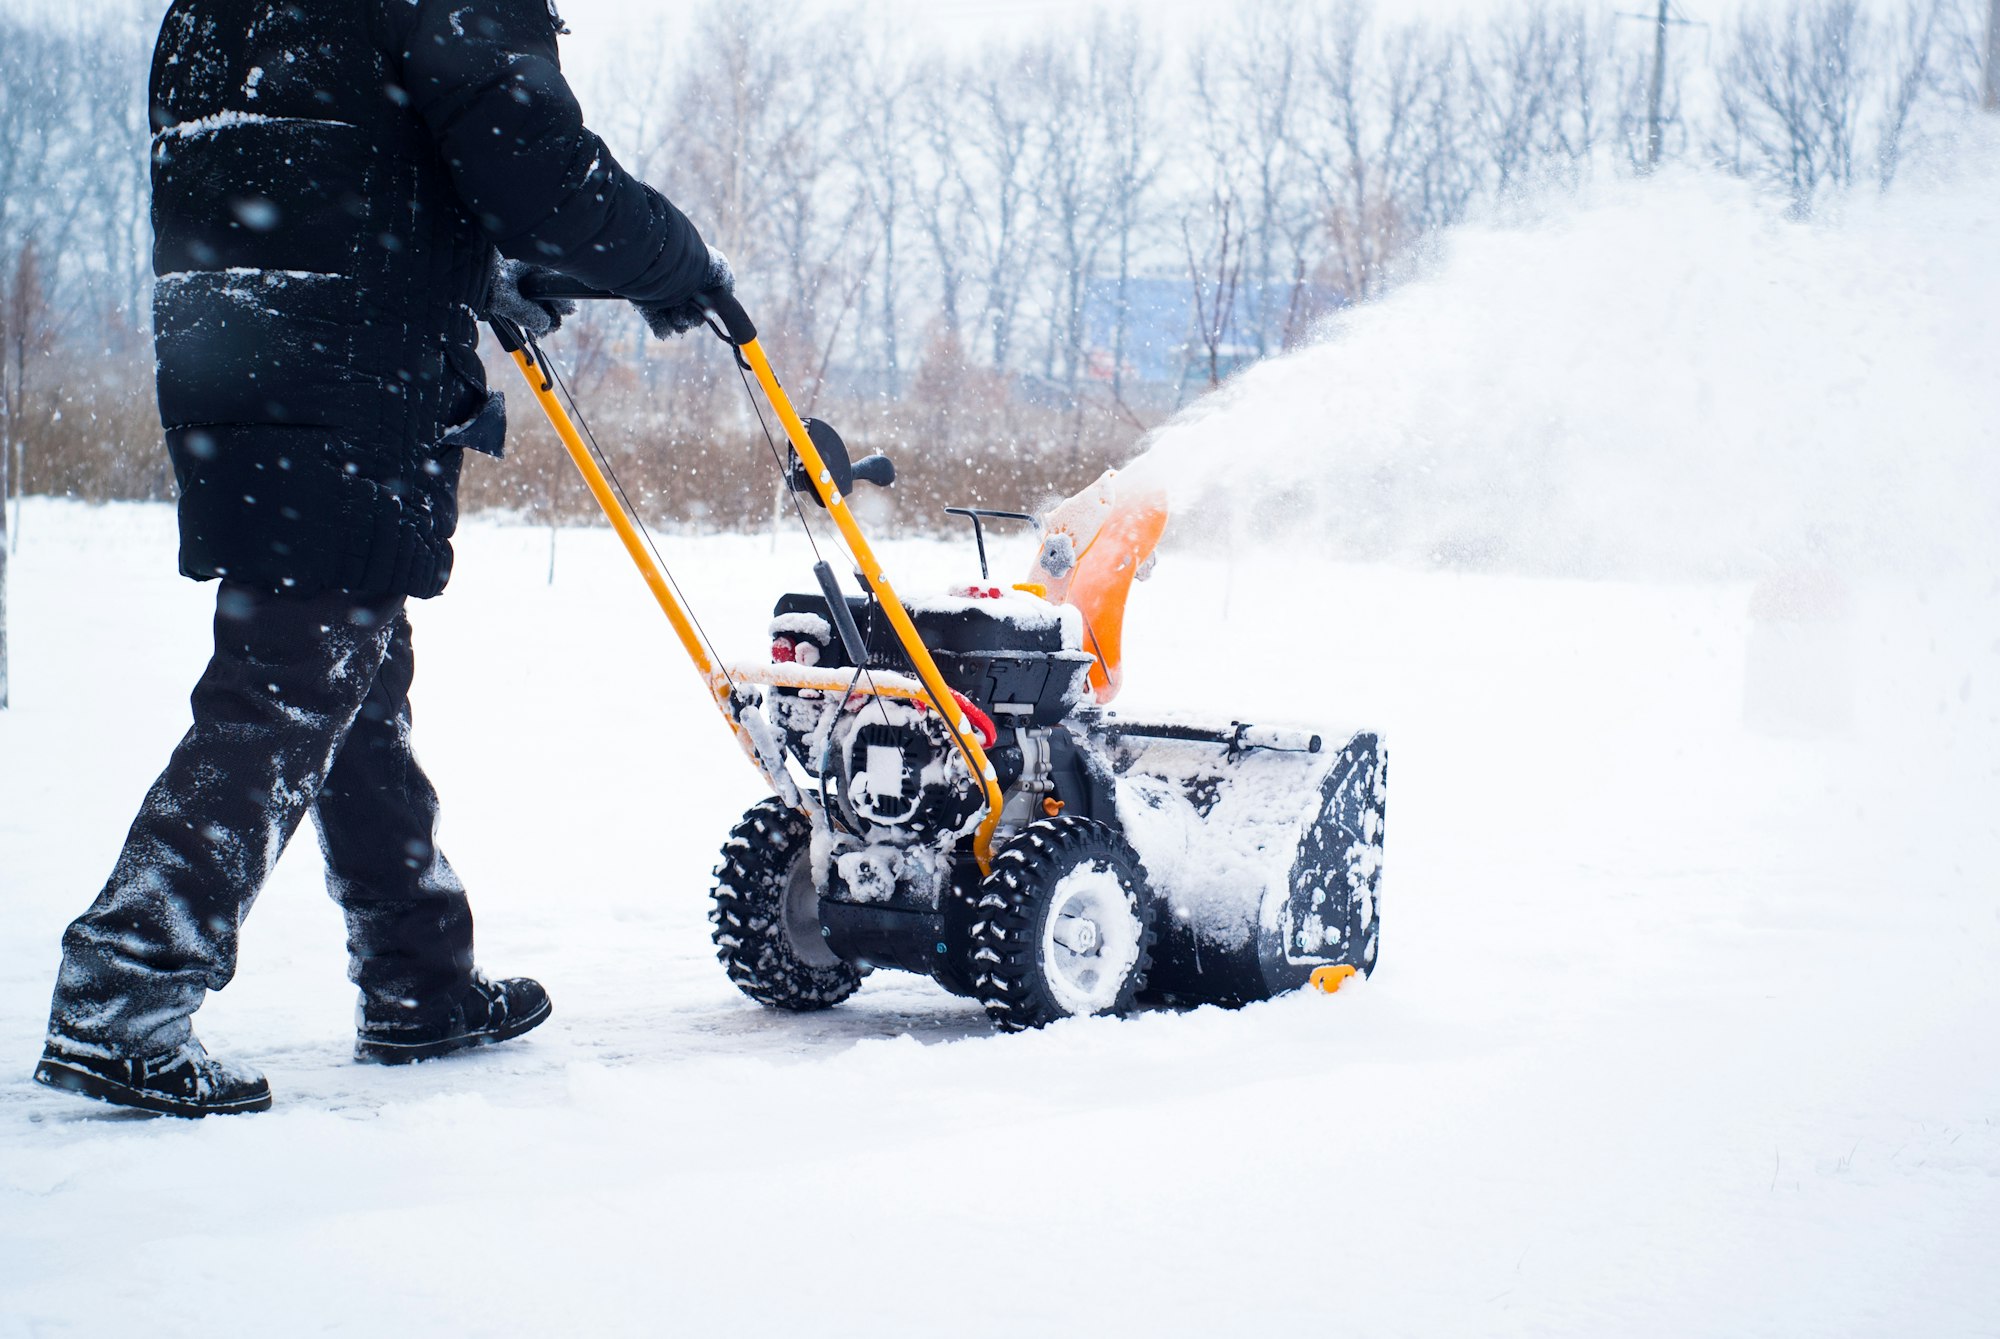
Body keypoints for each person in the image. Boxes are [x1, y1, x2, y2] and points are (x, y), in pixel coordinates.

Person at [32, 0, 729, 1117]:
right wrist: (673, 261)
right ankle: (128, 979)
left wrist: (468, 269)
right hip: (346, 365)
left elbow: (303, 161)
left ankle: (418, 976)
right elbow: (541, 178)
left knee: (351, 665)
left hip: (233, 352)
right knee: (295, 674)